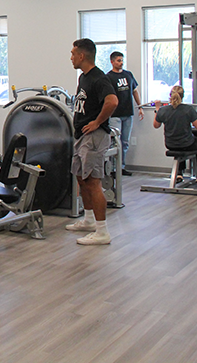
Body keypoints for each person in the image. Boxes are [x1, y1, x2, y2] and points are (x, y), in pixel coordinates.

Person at [66, 39, 118, 245]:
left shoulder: (99, 78)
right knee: (81, 179)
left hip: (93, 137)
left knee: (93, 182)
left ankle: (102, 231)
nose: (70, 57)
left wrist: (97, 122)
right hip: (81, 136)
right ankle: (88, 220)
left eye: (73, 54)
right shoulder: (83, 78)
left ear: (82, 56)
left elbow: (113, 101)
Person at [153, 85, 197, 186]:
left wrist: (157, 109)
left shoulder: (163, 110)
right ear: (183, 96)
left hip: (170, 144)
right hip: (186, 144)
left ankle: (179, 173)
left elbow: (156, 125)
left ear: (170, 95)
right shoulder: (188, 110)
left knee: (182, 138)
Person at [105, 51, 143, 176]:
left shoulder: (128, 75)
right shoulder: (108, 77)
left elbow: (134, 91)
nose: (121, 63)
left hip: (128, 113)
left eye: (122, 60)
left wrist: (140, 106)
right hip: (115, 115)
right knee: (115, 142)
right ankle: (111, 169)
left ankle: (121, 167)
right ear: (112, 62)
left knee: (125, 142)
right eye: (118, 60)